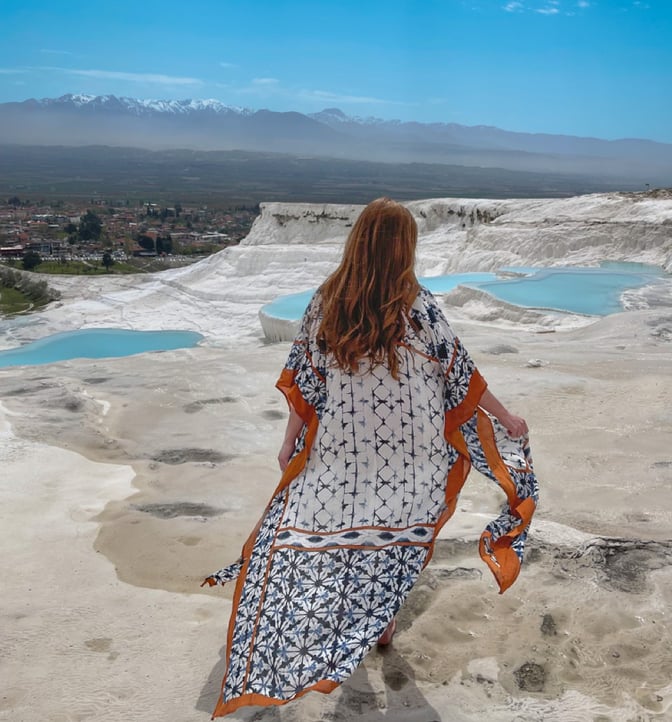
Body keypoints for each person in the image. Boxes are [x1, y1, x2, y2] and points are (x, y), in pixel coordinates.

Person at [203, 197, 538, 718]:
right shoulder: (418, 304)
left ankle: (348, 624)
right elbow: (460, 374)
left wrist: (290, 436)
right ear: (404, 247)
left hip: (344, 447)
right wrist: (505, 416)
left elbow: (307, 379)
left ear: (357, 241)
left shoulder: (325, 301)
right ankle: (379, 622)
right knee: (396, 534)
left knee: (340, 529)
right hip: (411, 451)